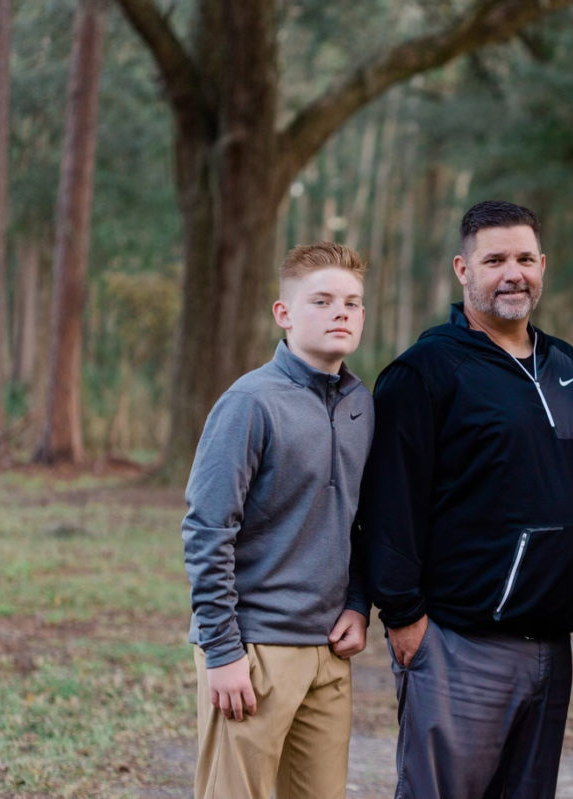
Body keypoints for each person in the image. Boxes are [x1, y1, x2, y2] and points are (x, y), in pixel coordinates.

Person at [360, 200, 573, 799]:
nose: (512, 272)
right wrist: (404, 619)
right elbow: (388, 505)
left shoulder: (569, 368)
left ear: (543, 265)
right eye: (494, 259)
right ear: (463, 269)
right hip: (458, 643)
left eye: (524, 258)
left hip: (552, 647)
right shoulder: (424, 373)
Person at [181, 242, 374, 799]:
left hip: (330, 653)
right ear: (283, 313)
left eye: (353, 302)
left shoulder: (363, 405)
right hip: (254, 649)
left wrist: (359, 603)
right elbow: (207, 529)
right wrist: (222, 652)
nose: (341, 312)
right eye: (322, 300)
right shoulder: (249, 403)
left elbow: (362, 521)